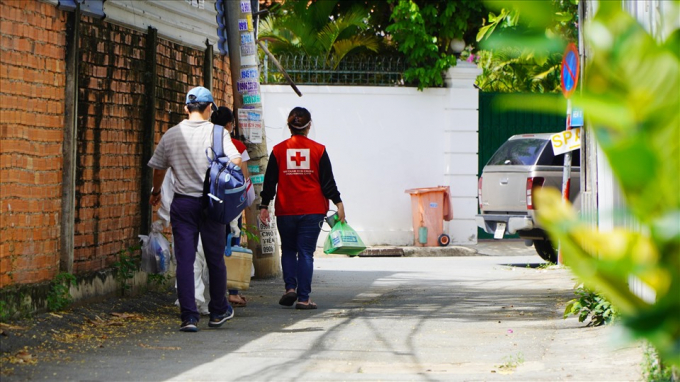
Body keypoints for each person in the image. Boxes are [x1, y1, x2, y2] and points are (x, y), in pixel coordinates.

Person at [148, 86, 241, 332]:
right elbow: (236, 160)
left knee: (185, 261)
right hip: (213, 202)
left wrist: (156, 193)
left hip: (183, 203)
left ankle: (189, 317)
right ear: (210, 108)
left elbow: (158, 168)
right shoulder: (219, 133)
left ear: (186, 108)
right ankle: (218, 311)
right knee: (215, 260)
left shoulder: (172, 134)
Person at [259, 107, 345, 310]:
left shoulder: (278, 150)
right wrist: (339, 203)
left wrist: (264, 206)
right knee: (306, 253)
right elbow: (328, 182)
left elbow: (269, 182)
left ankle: (290, 288)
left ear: (289, 126)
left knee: (288, 250)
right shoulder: (319, 150)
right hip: (313, 209)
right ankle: (304, 298)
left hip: (286, 210)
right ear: (309, 126)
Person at [211, 106, 250, 308]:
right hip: (232, 205)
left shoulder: (207, 140)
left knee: (211, 245)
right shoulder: (237, 146)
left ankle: (211, 292)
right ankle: (232, 292)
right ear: (229, 125)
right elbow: (244, 178)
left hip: (210, 201)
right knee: (231, 244)